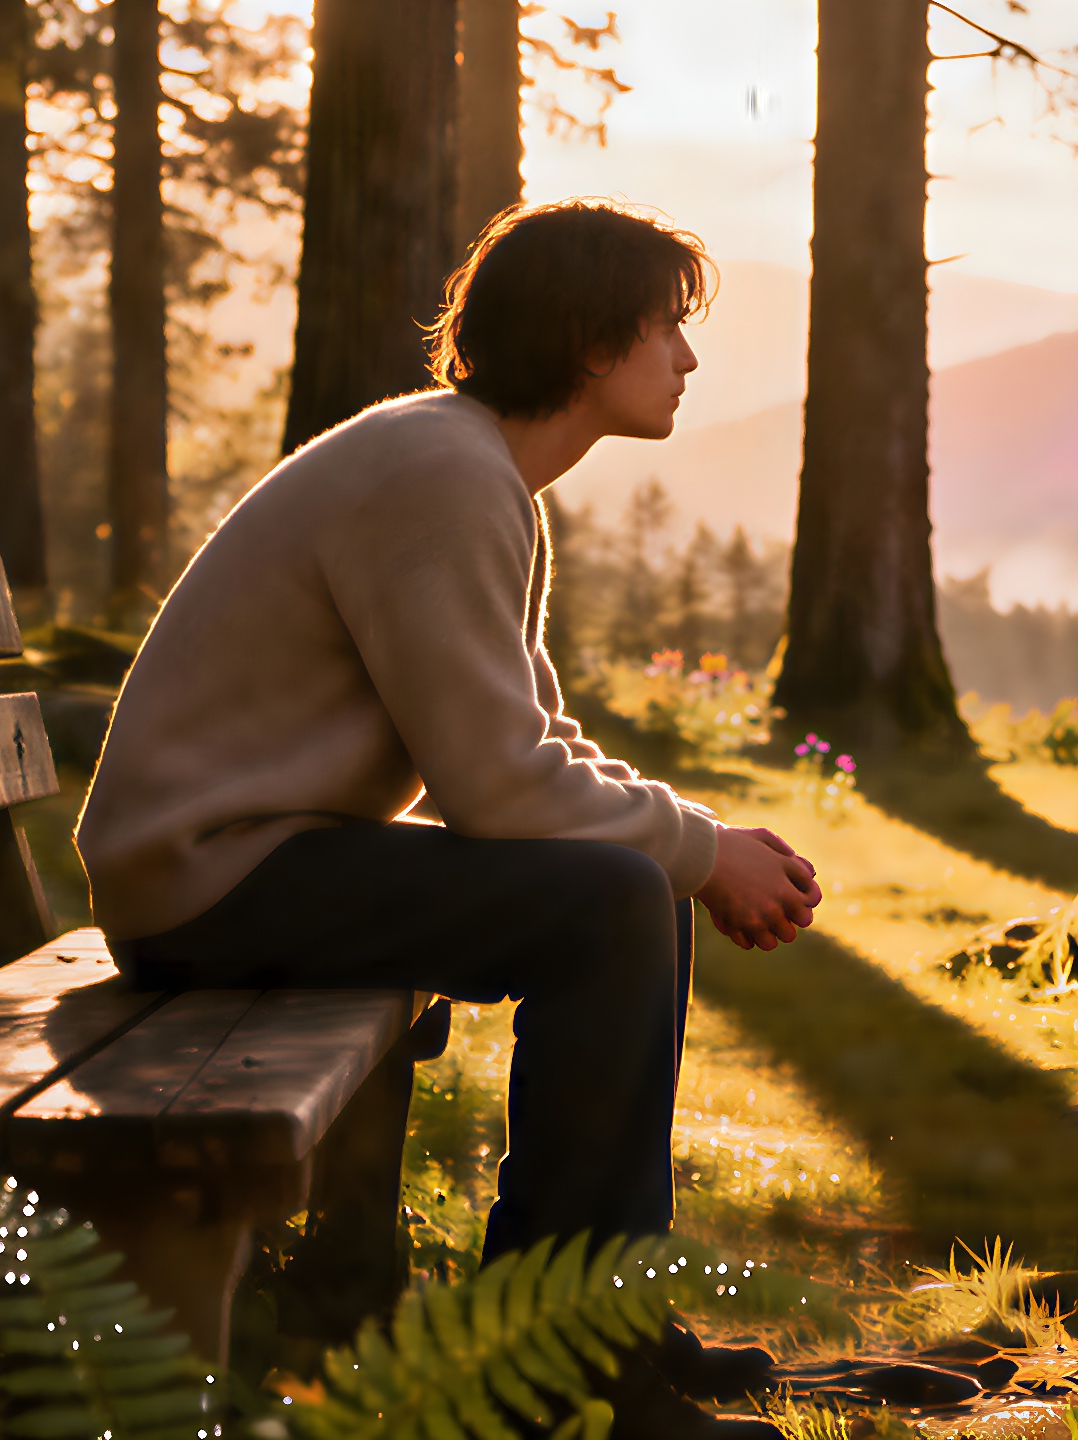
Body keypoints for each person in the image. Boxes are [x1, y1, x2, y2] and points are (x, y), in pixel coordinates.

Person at [74, 201, 820, 1437]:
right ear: (591, 344)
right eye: (668, 329)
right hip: (208, 883)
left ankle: (600, 1321)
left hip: (247, 863)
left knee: (629, 887)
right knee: (618, 901)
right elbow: (499, 788)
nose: (688, 360)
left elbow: (527, 742)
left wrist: (694, 838)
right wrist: (697, 853)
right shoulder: (444, 476)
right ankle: (567, 1370)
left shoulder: (467, 468)